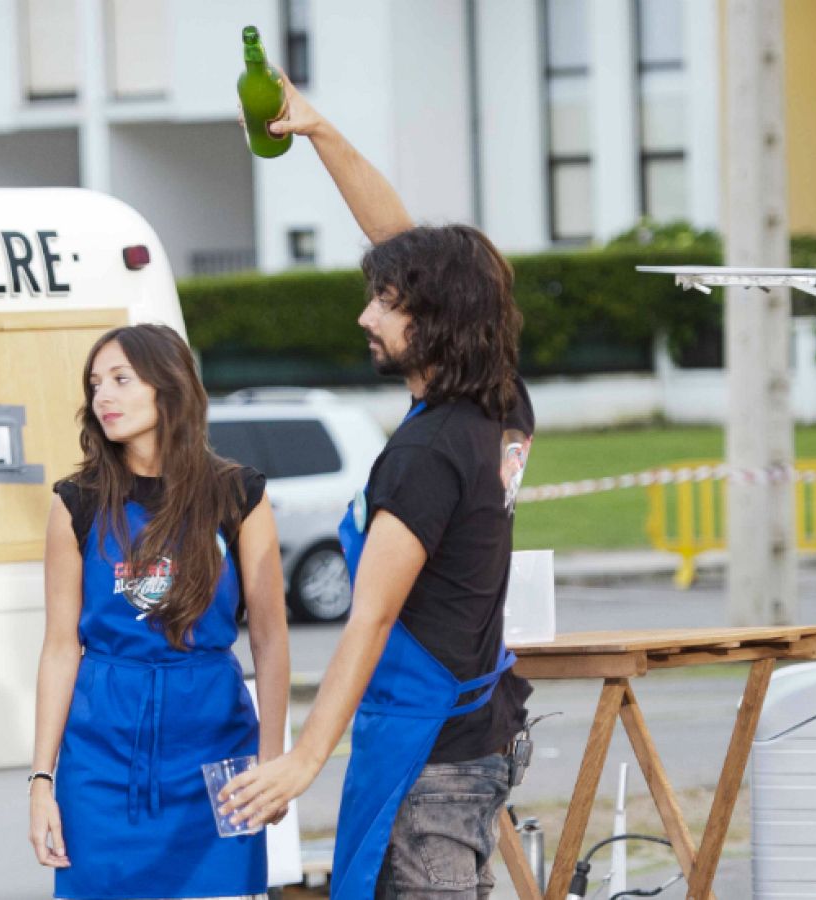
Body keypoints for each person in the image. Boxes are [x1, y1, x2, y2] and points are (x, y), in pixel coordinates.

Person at [220, 76, 535, 899]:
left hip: (429, 758)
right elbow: (400, 235)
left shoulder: (427, 453)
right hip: (480, 736)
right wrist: (320, 131)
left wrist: (303, 758)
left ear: (435, 321)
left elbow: (372, 614)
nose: (366, 317)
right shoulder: (497, 401)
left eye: (386, 303)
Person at [28, 323, 291, 899]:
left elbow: (270, 641)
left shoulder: (238, 493)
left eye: (122, 379)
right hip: (99, 761)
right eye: (95, 383)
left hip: (214, 753)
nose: (104, 397)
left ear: (168, 387)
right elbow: (59, 647)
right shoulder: (75, 503)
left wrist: (273, 763)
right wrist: (42, 781)